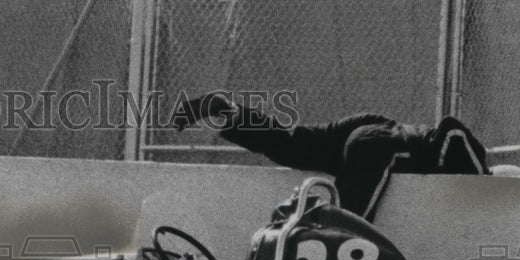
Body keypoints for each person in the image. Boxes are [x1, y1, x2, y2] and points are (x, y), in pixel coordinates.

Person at [171, 92, 490, 221]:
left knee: (291, 145)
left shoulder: (453, 157)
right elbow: (453, 130)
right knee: (351, 221)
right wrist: (486, 183)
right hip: (380, 141)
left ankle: (225, 112)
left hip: (368, 128)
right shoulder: (466, 157)